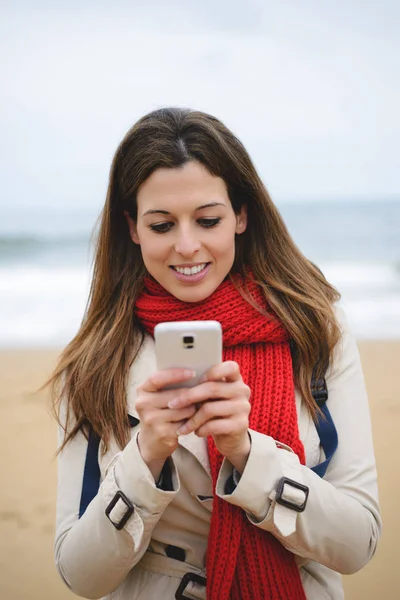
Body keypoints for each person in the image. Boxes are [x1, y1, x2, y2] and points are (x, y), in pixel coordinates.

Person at [50, 107, 381, 600]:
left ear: (241, 215)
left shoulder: (316, 329)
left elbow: (358, 544)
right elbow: (79, 574)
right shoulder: (97, 358)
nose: (187, 246)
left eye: (208, 220)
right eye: (162, 225)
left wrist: (248, 456)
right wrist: (146, 458)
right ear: (133, 227)